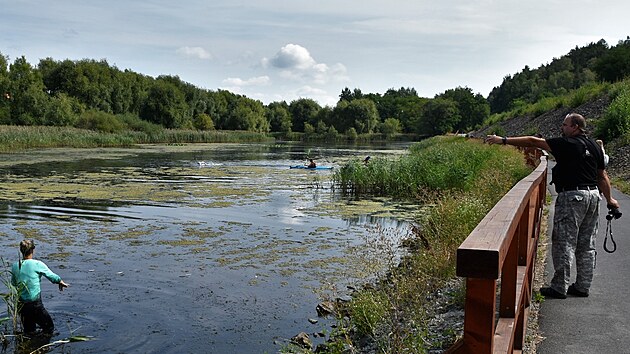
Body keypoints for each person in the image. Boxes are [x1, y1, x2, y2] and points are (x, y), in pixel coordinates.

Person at [485, 113, 620, 299]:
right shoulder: (595, 146)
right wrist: (610, 199)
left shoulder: (566, 144)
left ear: (575, 127)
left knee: (564, 242)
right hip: (593, 197)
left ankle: (559, 287)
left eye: (565, 125)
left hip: (572, 196)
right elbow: (602, 176)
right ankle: (582, 286)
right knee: (586, 244)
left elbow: (534, 141)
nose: (562, 128)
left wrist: (503, 140)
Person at [11, 240, 69, 334]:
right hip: (35, 305)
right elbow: (51, 276)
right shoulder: (37, 264)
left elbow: (13, 284)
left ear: (21, 251)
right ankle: (43, 345)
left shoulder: (15, 266)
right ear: (33, 250)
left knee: (29, 331)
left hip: (21, 305)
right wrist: (60, 281)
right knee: (49, 328)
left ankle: (28, 346)